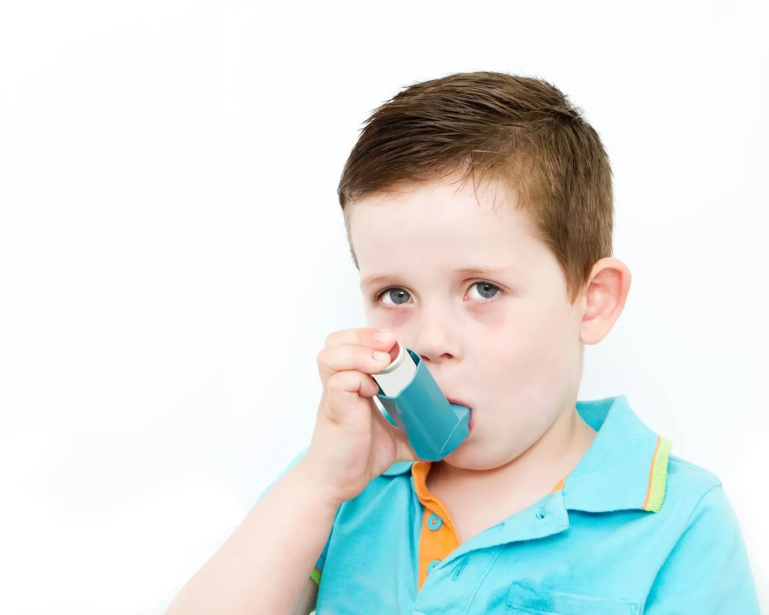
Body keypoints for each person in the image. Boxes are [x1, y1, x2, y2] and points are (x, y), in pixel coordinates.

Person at [165, 71, 760, 614]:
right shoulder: (344, 487)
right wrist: (318, 485)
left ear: (593, 299)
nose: (430, 340)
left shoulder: (678, 521)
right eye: (396, 295)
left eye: (483, 288)